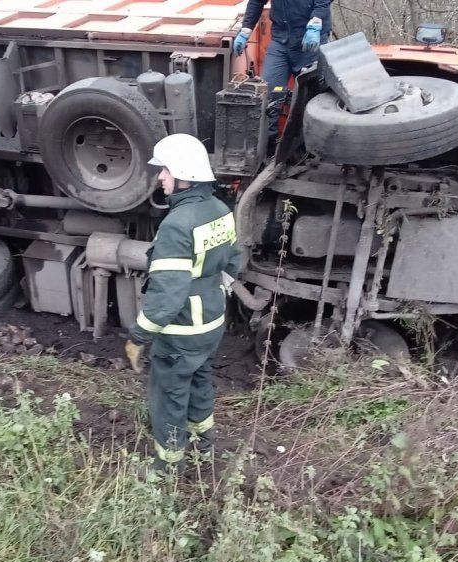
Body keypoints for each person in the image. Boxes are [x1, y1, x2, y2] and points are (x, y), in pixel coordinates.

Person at [124, 134, 240, 471]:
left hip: (183, 328)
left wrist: (139, 336)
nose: (160, 177)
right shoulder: (221, 210)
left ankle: (166, 466)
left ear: (184, 175)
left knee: (169, 394)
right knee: (200, 378)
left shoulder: (176, 225)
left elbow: (168, 295)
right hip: (212, 321)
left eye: (165, 171)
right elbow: (234, 262)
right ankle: (204, 441)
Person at [233, 0, 332, 139]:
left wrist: (316, 21)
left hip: (309, 41)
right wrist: (246, 29)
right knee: (270, 91)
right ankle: (269, 144)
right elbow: (256, 2)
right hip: (281, 41)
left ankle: (308, 148)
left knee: (310, 97)